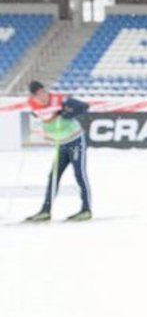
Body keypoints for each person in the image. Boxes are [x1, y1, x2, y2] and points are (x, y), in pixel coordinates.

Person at [25, 80, 92, 222]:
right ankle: (45, 211)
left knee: (80, 174)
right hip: (60, 144)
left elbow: (84, 106)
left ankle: (86, 209)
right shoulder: (33, 105)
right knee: (53, 176)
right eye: (38, 94)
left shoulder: (60, 99)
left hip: (75, 141)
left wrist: (69, 112)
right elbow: (43, 117)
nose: (43, 95)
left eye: (43, 91)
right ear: (34, 96)